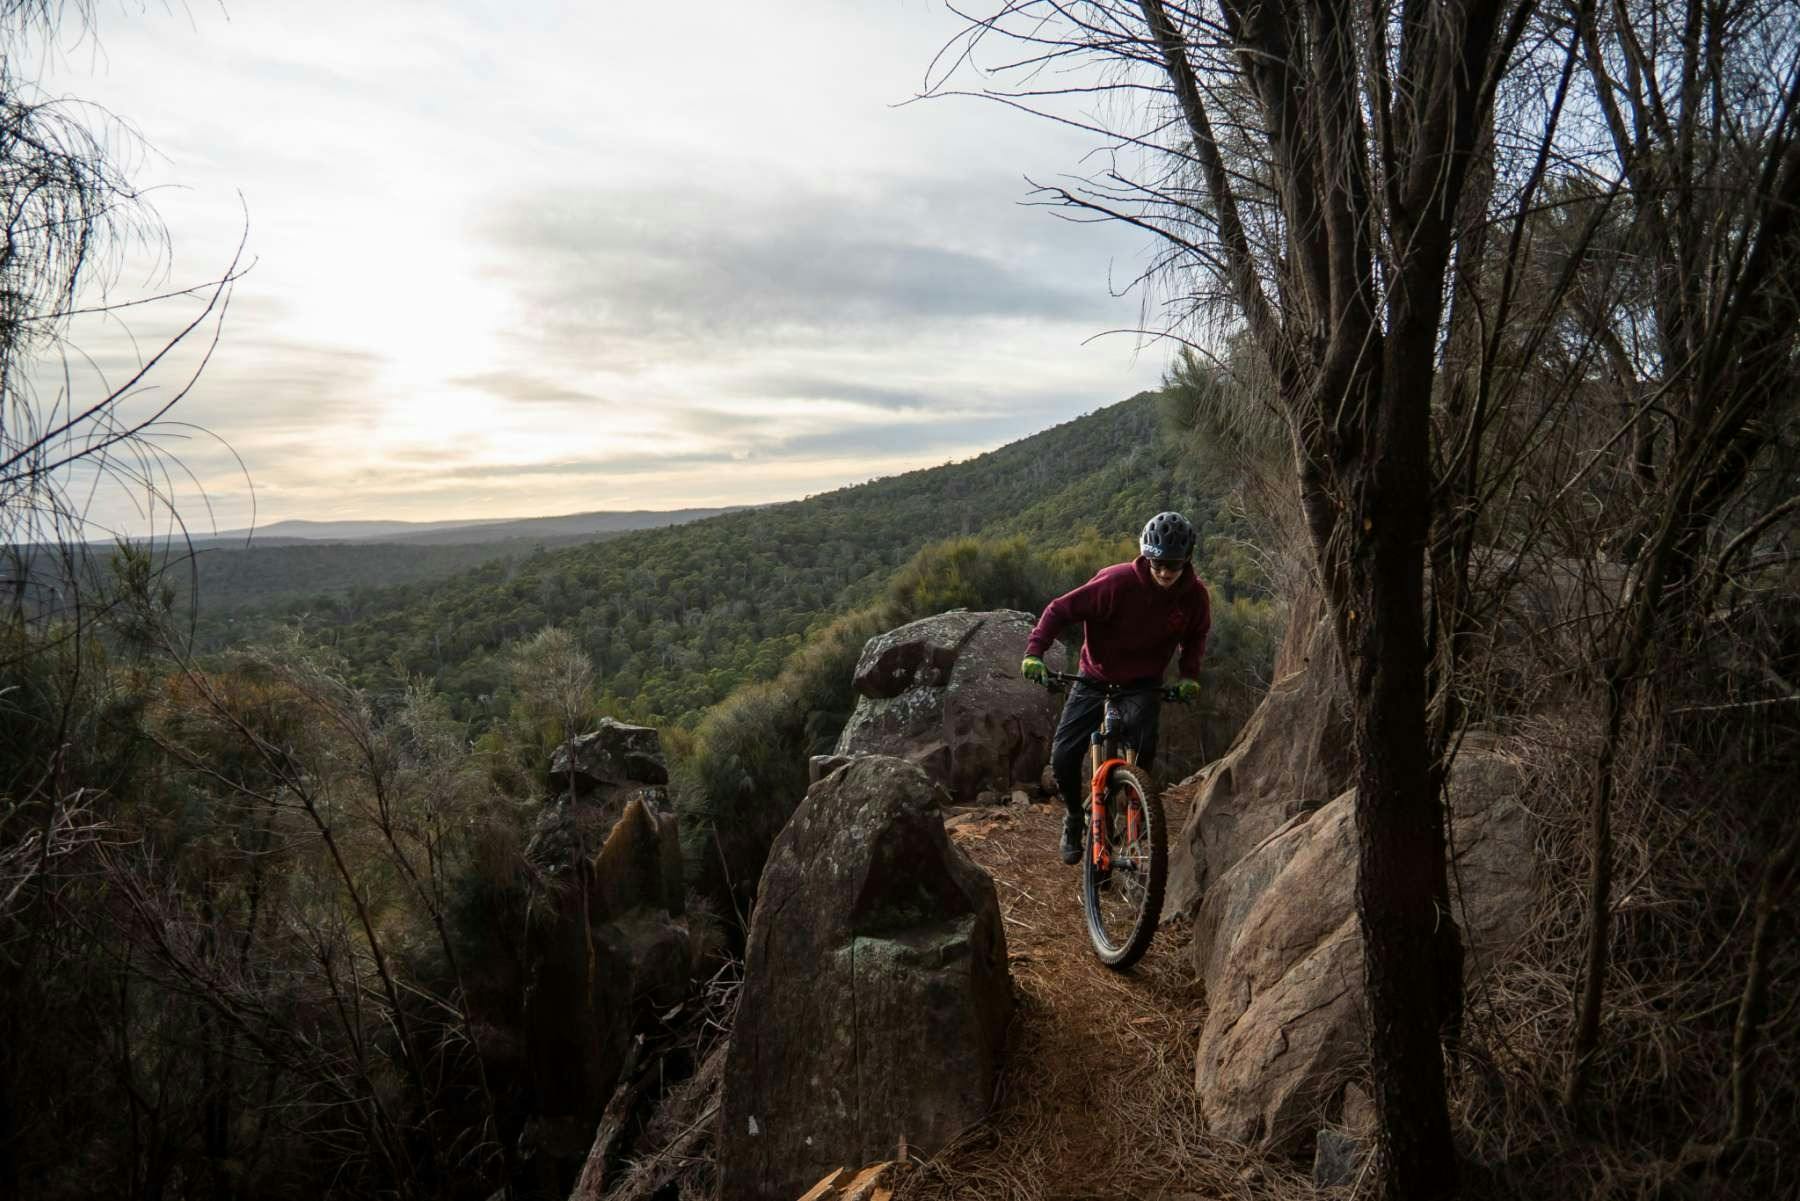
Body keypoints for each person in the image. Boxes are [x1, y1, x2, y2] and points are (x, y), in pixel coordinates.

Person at [1021, 511, 1211, 864]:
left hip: (1143, 683)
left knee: (1143, 749)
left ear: (1187, 561)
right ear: (1146, 556)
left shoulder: (1194, 597)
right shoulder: (1116, 582)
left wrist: (1189, 676)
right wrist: (1035, 652)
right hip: (1095, 676)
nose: (1166, 573)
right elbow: (1059, 610)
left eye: (1174, 564)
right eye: (1158, 564)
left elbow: (1196, 637)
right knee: (1063, 755)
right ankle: (1075, 818)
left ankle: (1134, 809)